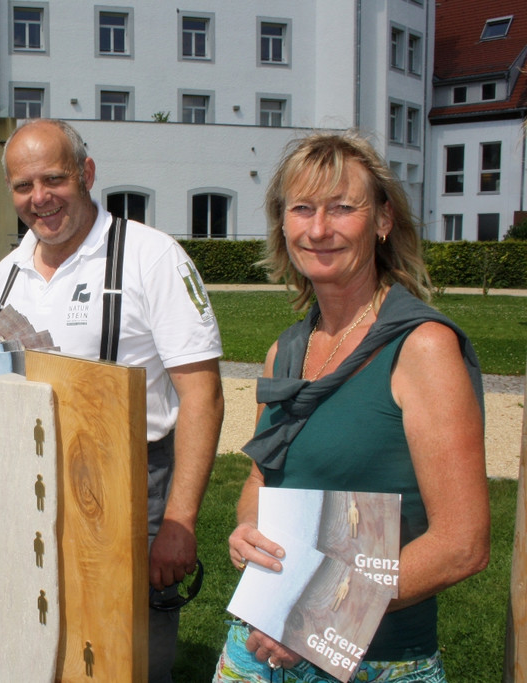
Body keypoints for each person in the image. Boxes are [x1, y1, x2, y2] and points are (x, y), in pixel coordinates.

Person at [0, 119, 224, 681]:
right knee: (43, 644)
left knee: (128, 655)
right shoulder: (5, 275)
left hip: (132, 485)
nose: (39, 199)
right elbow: (15, 389)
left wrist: (179, 521)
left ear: (86, 174)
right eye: (23, 186)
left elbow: (203, 395)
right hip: (30, 484)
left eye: (54, 179)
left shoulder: (151, 257)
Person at [215, 131, 490, 682]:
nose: (319, 229)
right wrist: (248, 528)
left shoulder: (422, 349)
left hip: (375, 661)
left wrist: (317, 616)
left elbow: (462, 544)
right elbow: (258, 481)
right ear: (283, 224)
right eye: (303, 209)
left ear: (383, 220)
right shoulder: (283, 353)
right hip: (255, 647)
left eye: (343, 208)